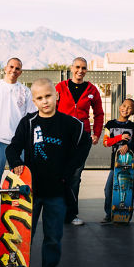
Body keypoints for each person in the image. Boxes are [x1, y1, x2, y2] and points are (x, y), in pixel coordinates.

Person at [5, 78, 89, 267]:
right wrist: (17, 165)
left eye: (48, 96)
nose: (45, 101)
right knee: (21, 235)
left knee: (53, 237)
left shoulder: (70, 124)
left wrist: (69, 171)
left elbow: (85, 143)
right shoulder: (28, 123)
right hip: (29, 192)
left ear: (57, 95)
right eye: (40, 98)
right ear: (34, 100)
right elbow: (12, 149)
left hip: (57, 193)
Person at [0, 57, 37, 225]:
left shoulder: (25, 91)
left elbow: (30, 117)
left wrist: (25, 140)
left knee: (19, 180)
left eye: (18, 68)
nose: (14, 70)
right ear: (5, 68)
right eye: (11, 67)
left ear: (21, 72)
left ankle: (18, 214)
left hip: (18, 145)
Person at [55, 57, 104, 226]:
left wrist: (96, 133)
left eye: (83, 68)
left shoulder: (92, 89)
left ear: (86, 70)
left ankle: (71, 214)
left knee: (75, 176)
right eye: (77, 67)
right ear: (71, 68)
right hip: (61, 138)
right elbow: (50, 110)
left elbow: (99, 113)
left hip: (82, 139)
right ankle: (57, 211)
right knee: (59, 175)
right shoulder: (60, 87)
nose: (80, 70)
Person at [101, 98, 134, 223]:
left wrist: (128, 145)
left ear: (133, 112)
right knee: (109, 189)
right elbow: (106, 143)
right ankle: (109, 214)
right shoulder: (110, 124)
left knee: (128, 190)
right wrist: (120, 137)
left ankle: (126, 215)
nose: (126, 109)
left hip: (131, 163)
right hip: (117, 163)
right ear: (119, 107)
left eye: (130, 108)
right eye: (124, 106)